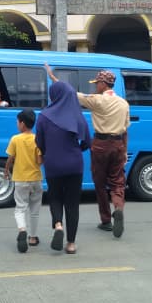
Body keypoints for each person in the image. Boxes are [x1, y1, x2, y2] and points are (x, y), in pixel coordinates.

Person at [64, 68, 130, 239]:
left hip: (100, 144)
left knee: (100, 183)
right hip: (118, 144)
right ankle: (118, 208)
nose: (95, 87)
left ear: (103, 84)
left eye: (97, 83)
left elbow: (74, 94)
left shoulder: (97, 100)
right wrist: (124, 151)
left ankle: (106, 220)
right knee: (117, 181)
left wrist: (55, 79)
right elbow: (125, 131)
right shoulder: (124, 103)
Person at [36, 66, 90, 254]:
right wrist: (77, 150)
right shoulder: (77, 115)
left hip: (53, 164)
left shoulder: (43, 116)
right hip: (74, 164)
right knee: (72, 203)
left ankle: (58, 225)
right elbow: (87, 142)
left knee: (55, 197)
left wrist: (47, 152)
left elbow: (39, 142)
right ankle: (71, 244)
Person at [5, 108, 42, 253]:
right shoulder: (37, 139)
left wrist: (6, 171)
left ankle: (22, 230)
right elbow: (39, 161)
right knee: (35, 210)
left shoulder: (15, 139)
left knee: (20, 208)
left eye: (17, 122)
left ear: (22, 124)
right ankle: (33, 238)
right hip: (36, 179)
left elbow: (10, 158)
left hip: (20, 179)